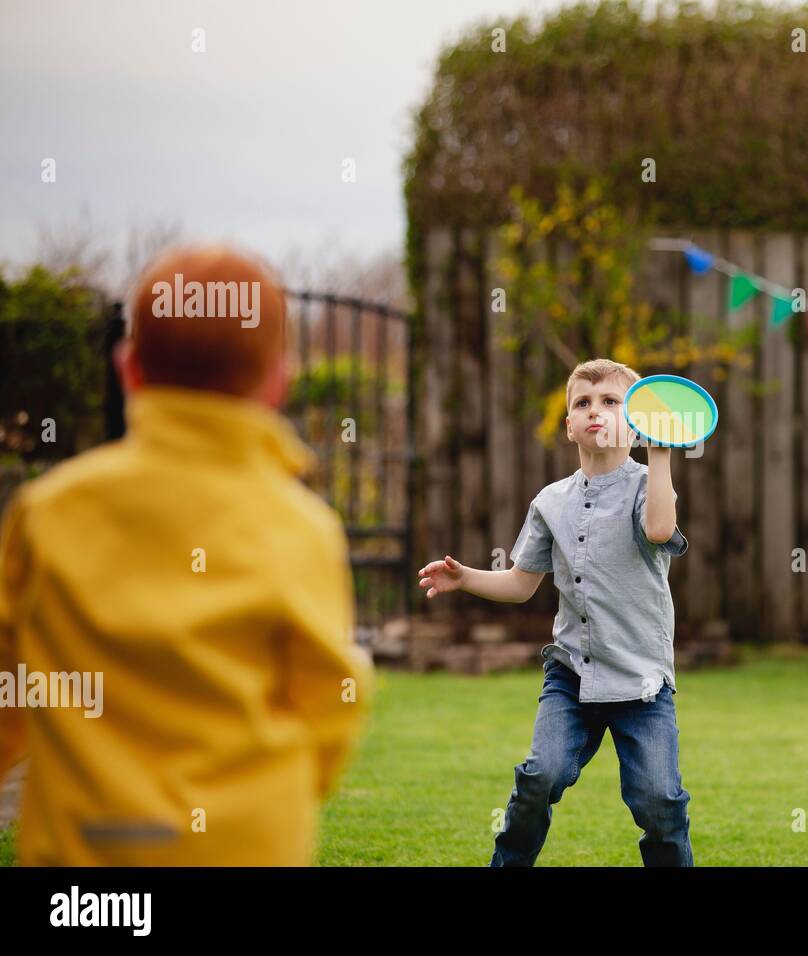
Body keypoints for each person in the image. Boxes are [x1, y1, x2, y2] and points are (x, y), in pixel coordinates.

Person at [0, 244, 371, 865]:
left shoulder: (49, 511)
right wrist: (292, 787)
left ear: (129, 369)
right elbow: (333, 695)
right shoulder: (301, 528)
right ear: (279, 379)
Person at [419, 357, 693, 866]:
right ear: (568, 425)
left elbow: (658, 530)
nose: (596, 411)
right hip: (572, 676)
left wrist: (660, 454)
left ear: (635, 419)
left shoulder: (647, 487)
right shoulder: (550, 501)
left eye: (611, 401)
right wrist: (466, 578)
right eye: (583, 403)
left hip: (642, 681)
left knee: (659, 802)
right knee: (538, 777)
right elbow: (522, 584)